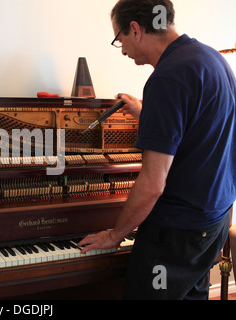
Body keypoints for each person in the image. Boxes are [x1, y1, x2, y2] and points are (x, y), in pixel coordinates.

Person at [78, 0, 236, 299]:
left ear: (135, 29)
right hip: (215, 217)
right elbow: (201, 123)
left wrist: (115, 235)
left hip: (178, 230)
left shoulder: (167, 78)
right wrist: (146, 113)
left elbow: (152, 184)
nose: (122, 50)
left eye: (119, 39)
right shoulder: (210, 58)